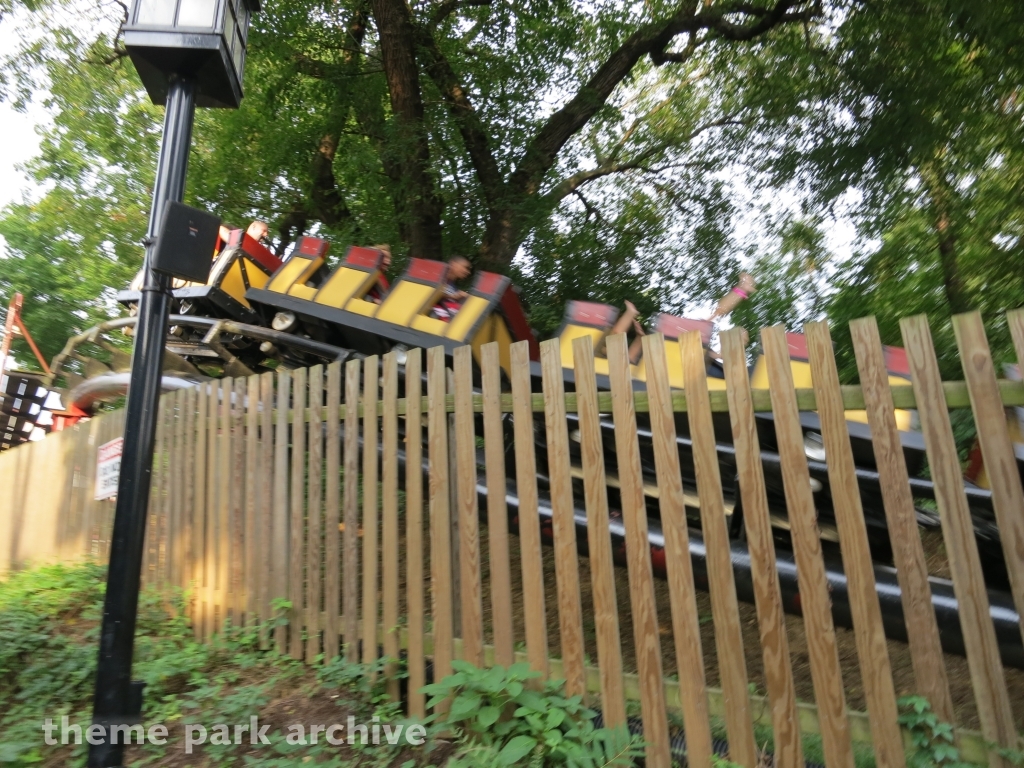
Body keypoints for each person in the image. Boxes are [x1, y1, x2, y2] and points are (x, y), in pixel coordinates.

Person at [432, 256, 473, 322]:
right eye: (465, 268)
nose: (468, 272)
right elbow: (429, 291)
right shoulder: (436, 276)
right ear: (453, 264)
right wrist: (453, 296)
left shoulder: (453, 286)